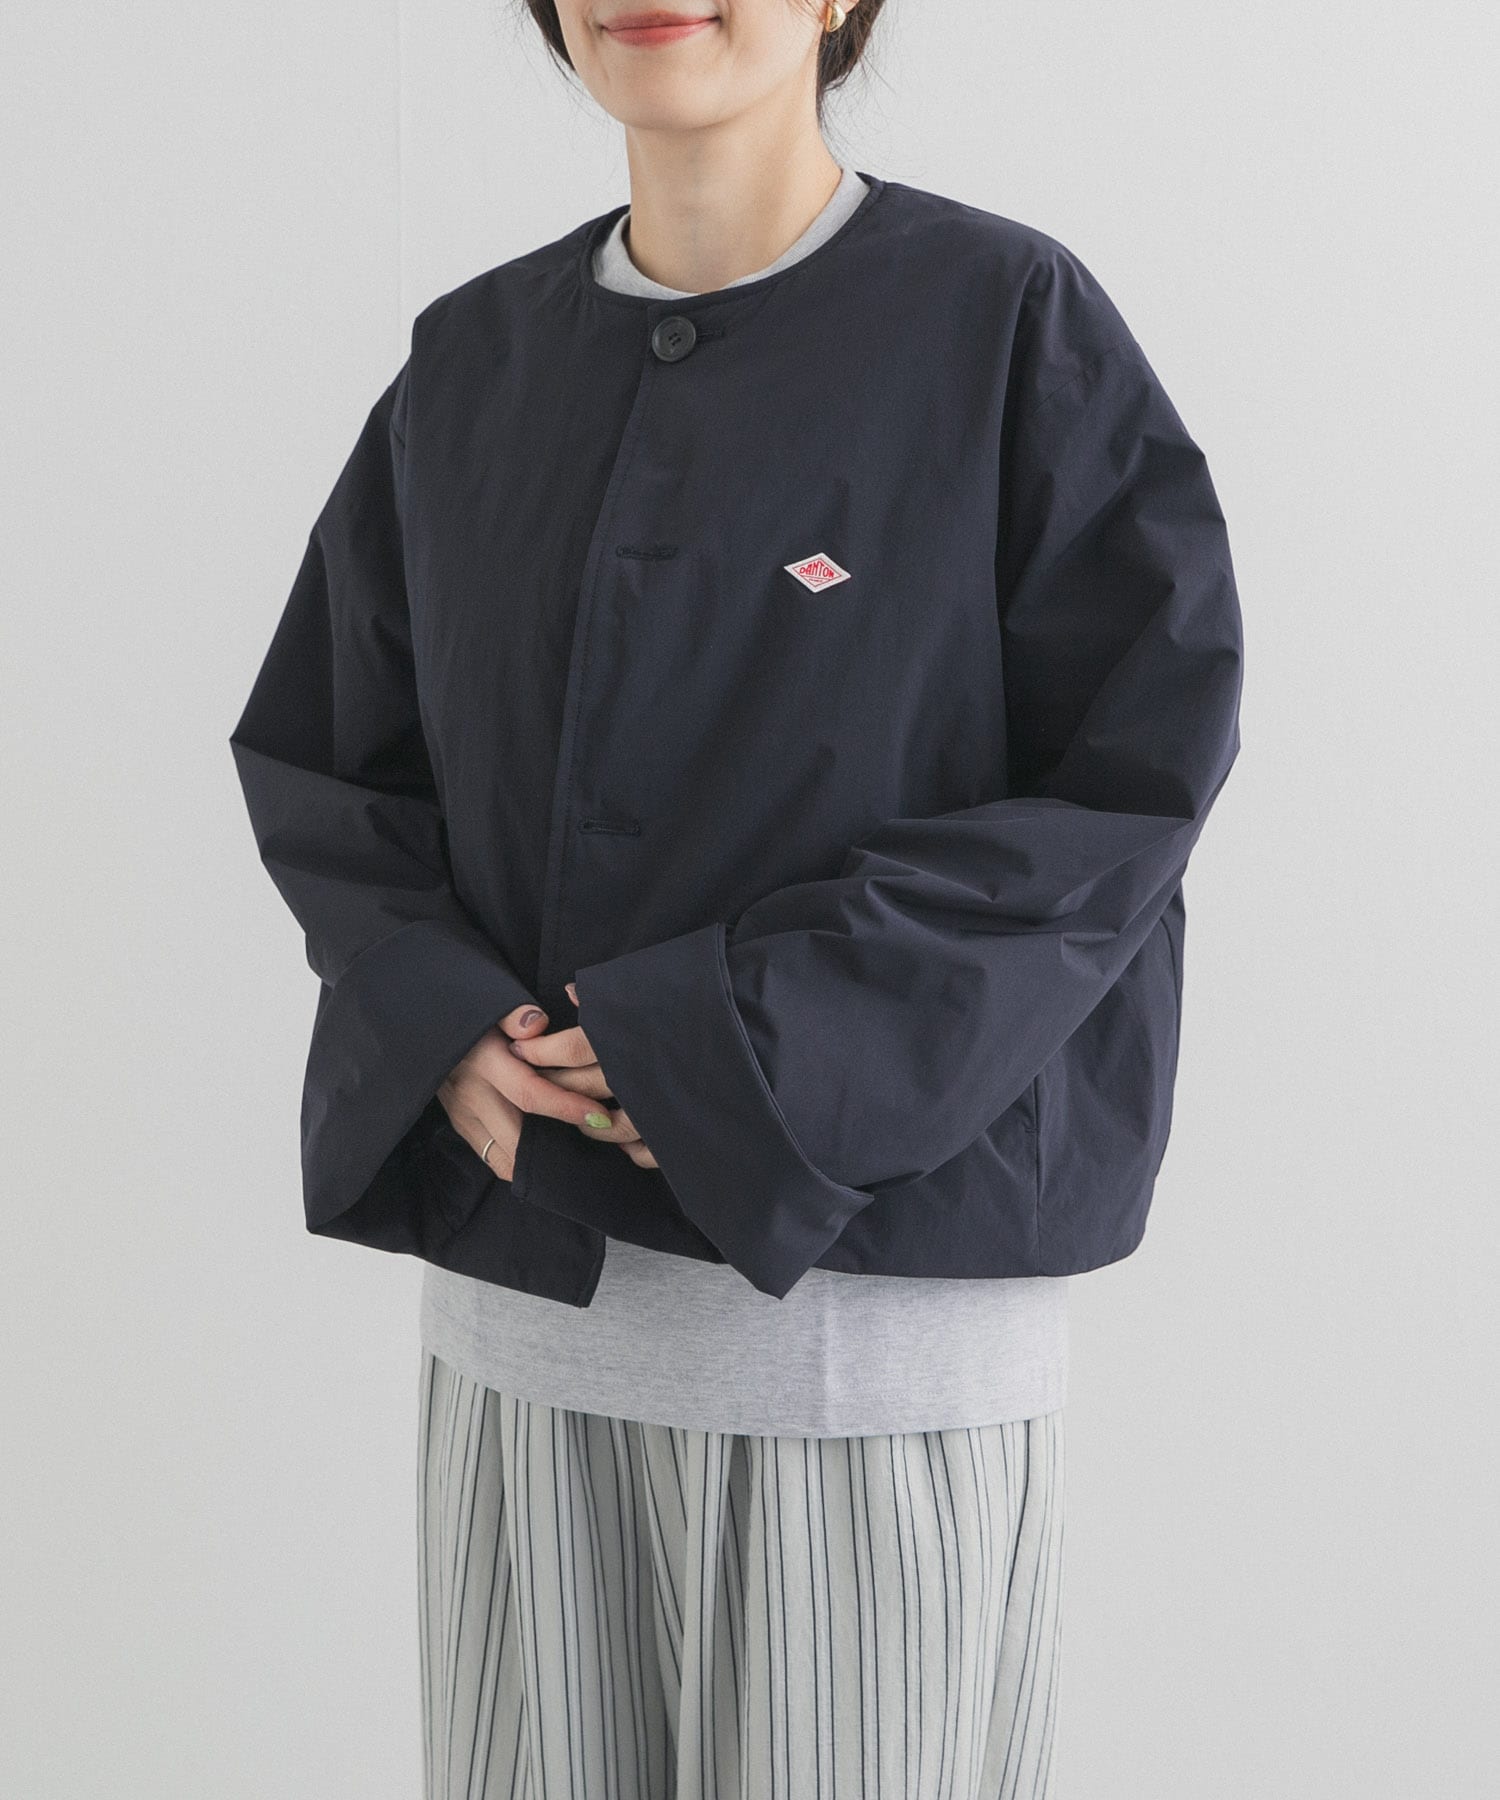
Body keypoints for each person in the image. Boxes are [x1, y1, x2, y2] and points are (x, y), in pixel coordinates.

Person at [229, 4, 1244, 1795]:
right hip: (525, 1349)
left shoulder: (1002, 324)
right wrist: (442, 1014)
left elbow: (1125, 786)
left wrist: (733, 1049)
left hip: (866, 1356)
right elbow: (331, 759)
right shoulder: (471, 365)